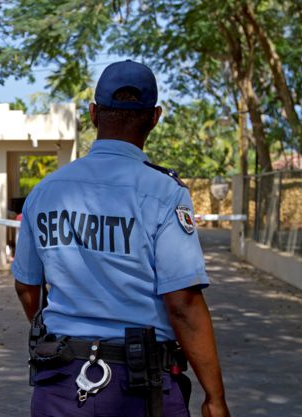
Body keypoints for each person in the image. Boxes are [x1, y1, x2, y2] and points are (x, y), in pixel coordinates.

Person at [12, 60, 230, 417]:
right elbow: (183, 305)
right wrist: (215, 398)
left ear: (94, 113)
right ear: (155, 117)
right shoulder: (164, 193)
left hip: (61, 387)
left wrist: (61, 336)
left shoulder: (46, 191)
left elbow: (26, 287)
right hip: (142, 390)